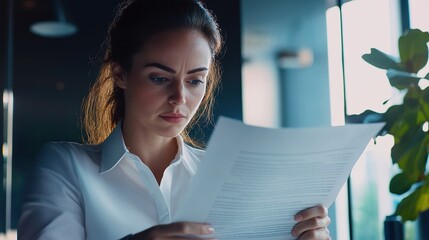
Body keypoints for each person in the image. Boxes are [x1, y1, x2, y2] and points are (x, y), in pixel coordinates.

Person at [18, 0, 331, 239]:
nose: (180, 98)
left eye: (195, 80)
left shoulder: (227, 178)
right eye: (159, 78)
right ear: (120, 74)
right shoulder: (66, 167)